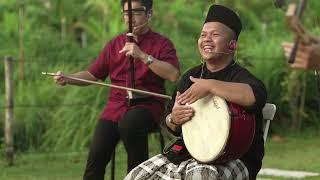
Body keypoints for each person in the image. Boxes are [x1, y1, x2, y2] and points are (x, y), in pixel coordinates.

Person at [125, 4, 267, 180]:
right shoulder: (190, 77)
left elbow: (257, 95)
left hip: (234, 159)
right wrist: (174, 119)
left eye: (215, 35)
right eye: (203, 35)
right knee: (135, 176)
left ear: (232, 45)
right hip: (189, 153)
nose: (206, 39)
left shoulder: (239, 76)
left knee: (201, 176)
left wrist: (209, 86)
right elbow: (169, 120)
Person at [52, 0, 180, 179]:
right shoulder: (114, 44)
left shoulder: (162, 44)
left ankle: (137, 176)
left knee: (130, 124)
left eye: (136, 12)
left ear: (149, 14)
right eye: (126, 13)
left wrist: (143, 56)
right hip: (116, 107)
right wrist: (69, 78)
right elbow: (92, 74)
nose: (130, 18)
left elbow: (173, 74)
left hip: (147, 107)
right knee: (96, 157)